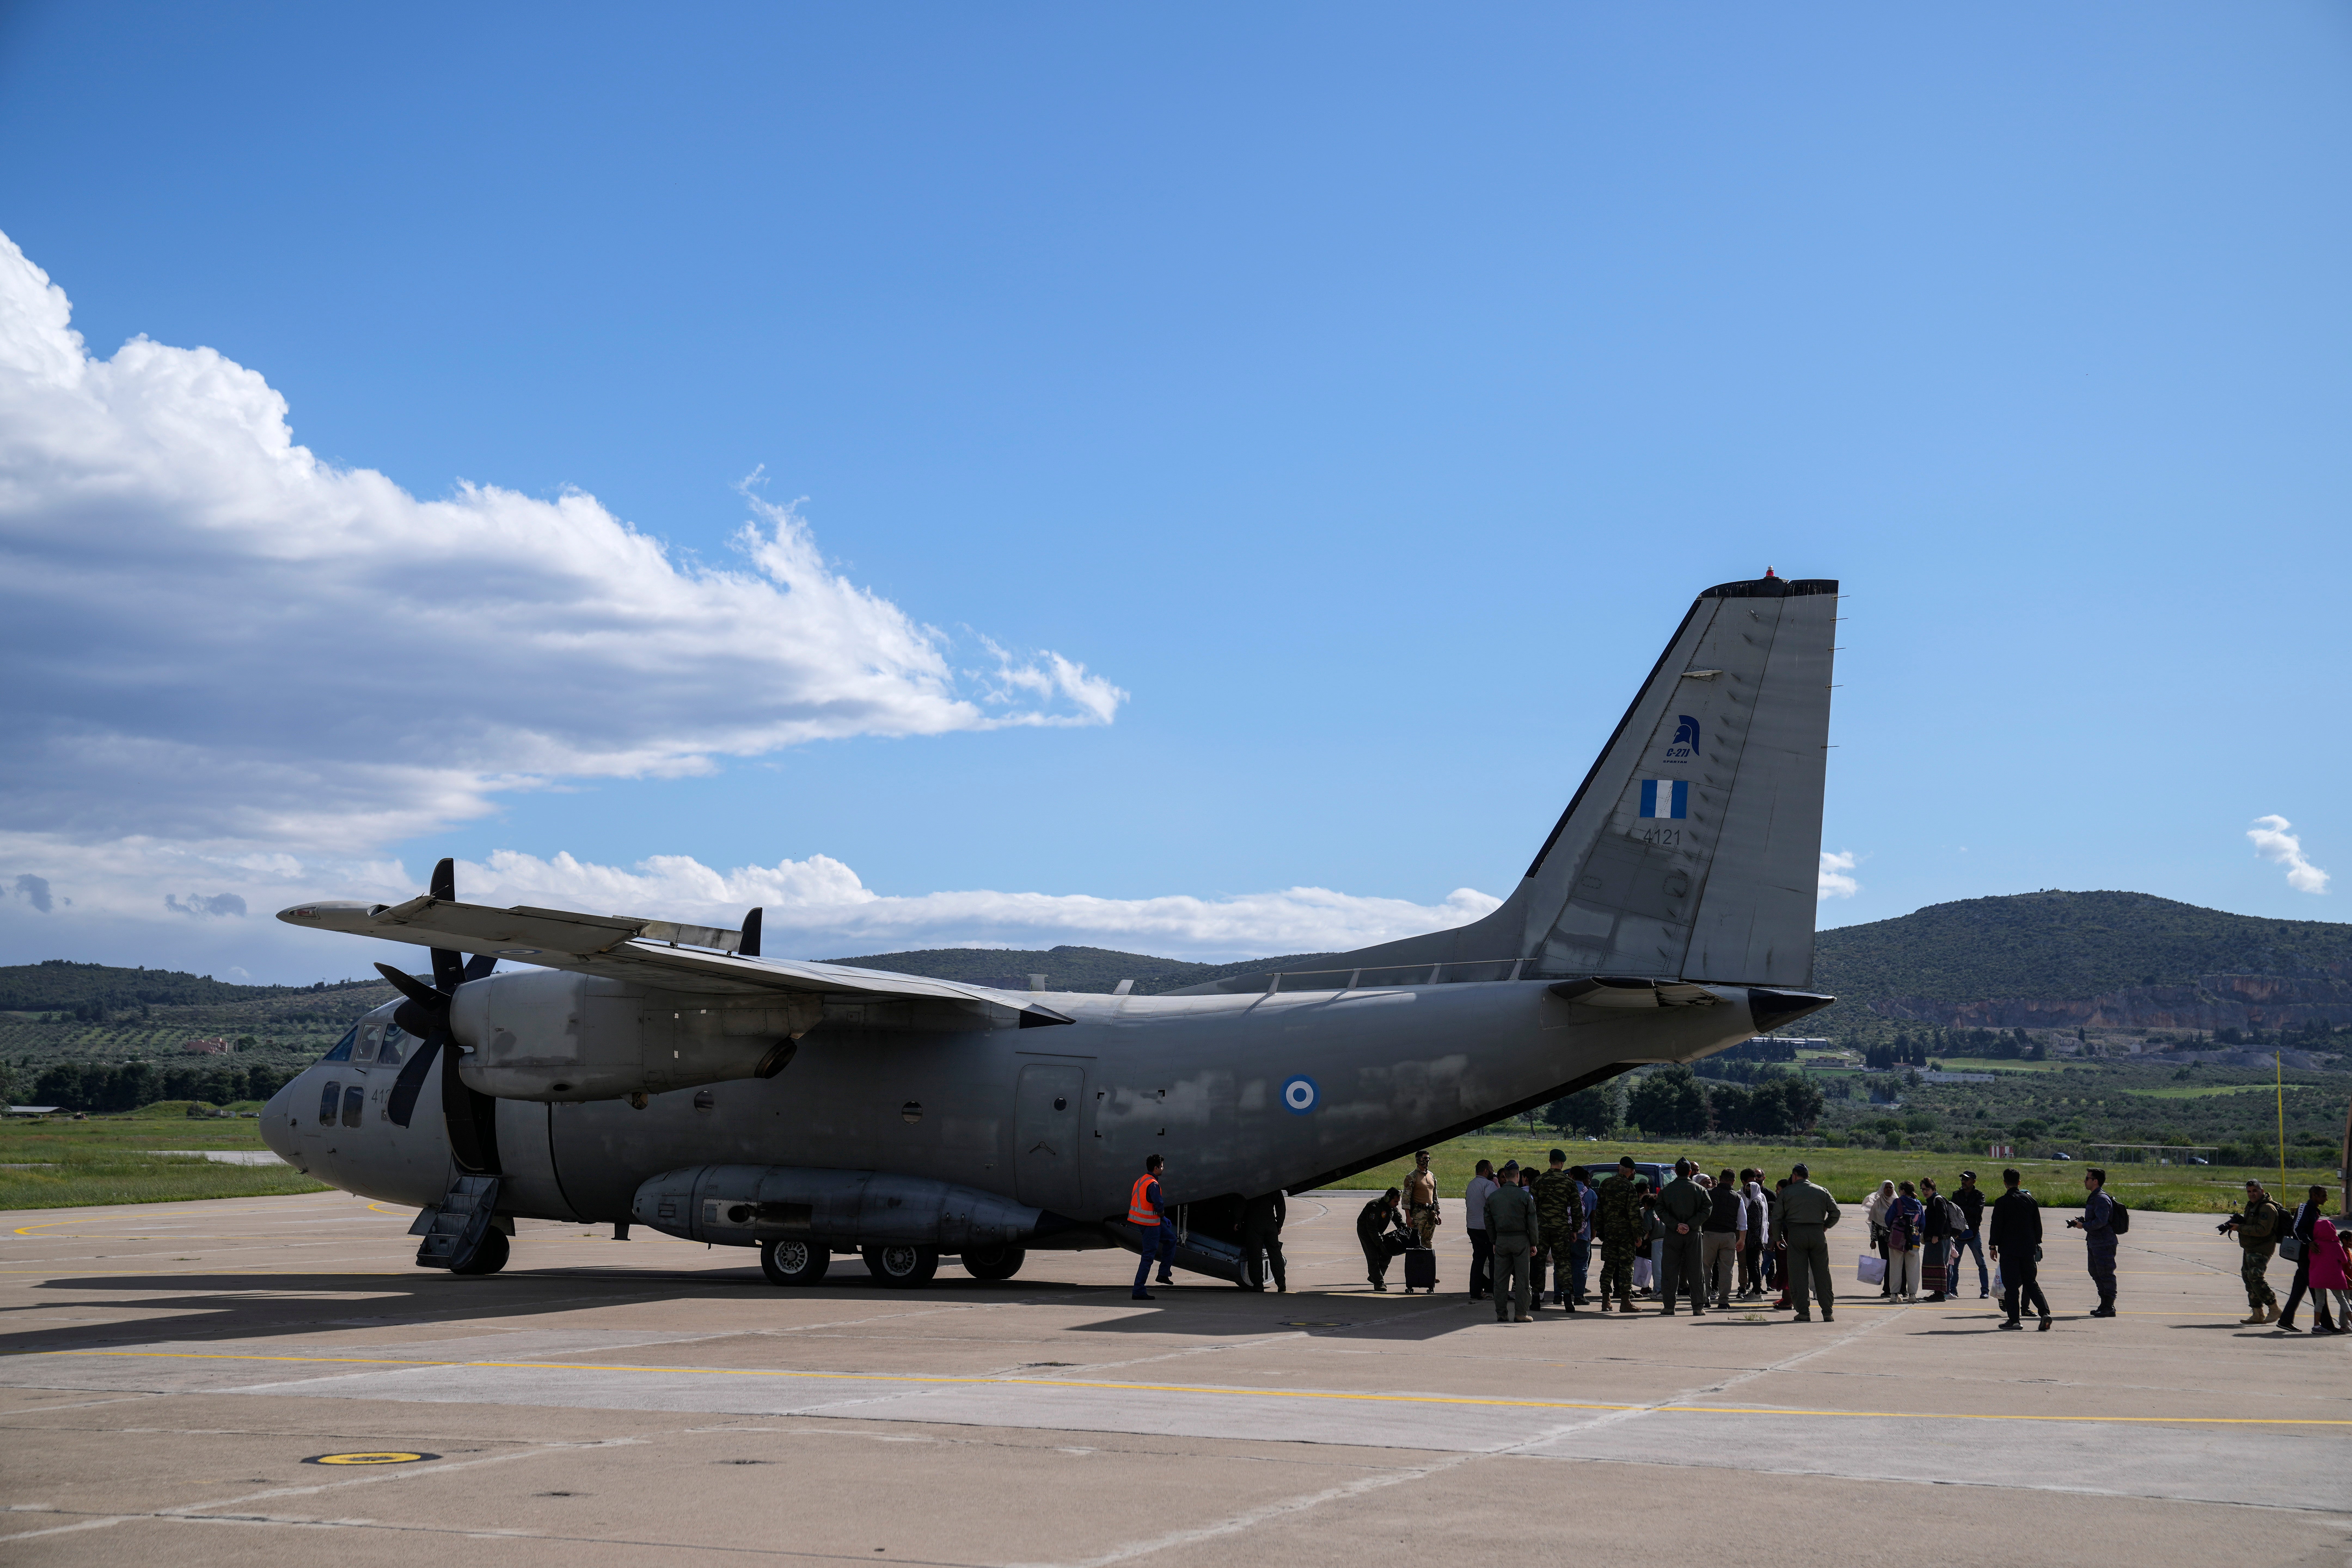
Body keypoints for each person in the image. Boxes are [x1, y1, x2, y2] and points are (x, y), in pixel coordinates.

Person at [1775, 1163, 1841, 1322]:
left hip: (1796, 1235)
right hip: (1818, 1235)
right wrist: (1825, 1226)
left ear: (1794, 1176)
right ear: (1808, 1177)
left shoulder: (1787, 1193)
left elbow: (1777, 1218)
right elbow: (1836, 1212)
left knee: (1798, 1275)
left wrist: (1778, 1238)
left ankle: (1804, 1312)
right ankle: (1828, 1312)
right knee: (1822, 1274)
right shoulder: (1822, 1191)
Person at [1988, 1168, 2051, 1331]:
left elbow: (1996, 1226)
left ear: (2005, 1183)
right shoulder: (2031, 1201)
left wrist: (1993, 1246)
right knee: (2031, 1283)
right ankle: (2045, 1313)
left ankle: (2015, 1321)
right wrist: (2036, 1243)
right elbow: (2038, 1226)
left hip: (2009, 1250)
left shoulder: (2002, 1202)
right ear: (2019, 1183)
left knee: (2011, 1287)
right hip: (2028, 1250)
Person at [1486, 1159, 1542, 1323]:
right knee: (1523, 1279)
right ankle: (1521, 1313)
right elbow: (1532, 1221)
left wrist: (1495, 1240)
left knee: (1500, 1280)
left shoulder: (1494, 1197)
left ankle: (1501, 1313)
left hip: (1502, 1240)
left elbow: (1488, 1221)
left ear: (1505, 1175)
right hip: (1521, 1241)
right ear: (1518, 1176)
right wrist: (1534, 1243)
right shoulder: (1525, 1196)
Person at [2221, 1180, 2284, 1325]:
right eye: (2249, 1192)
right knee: (2248, 1278)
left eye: (2255, 1191)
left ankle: (2274, 1308)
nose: (2252, 1194)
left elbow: (2263, 1230)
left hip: (2262, 1249)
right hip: (2250, 1248)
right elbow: (2253, 1224)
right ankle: (2257, 1313)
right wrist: (2239, 1223)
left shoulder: (2267, 1208)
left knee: (2256, 1277)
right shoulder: (2253, 1206)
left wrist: (2240, 1229)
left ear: (2262, 1191)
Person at [1653, 1159, 1709, 1316]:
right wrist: (1691, 1225)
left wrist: (1676, 1225)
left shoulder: (1667, 1190)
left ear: (1676, 1172)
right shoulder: (1700, 1190)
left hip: (1673, 1234)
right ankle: (1698, 1307)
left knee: (1670, 1270)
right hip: (1694, 1235)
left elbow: (1660, 1209)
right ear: (1690, 1172)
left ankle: (1669, 1306)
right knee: (1696, 1270)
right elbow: (1707, 1209)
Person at [2274, 1185, 2330, 1332]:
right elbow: (2297, 1229)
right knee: (2317, 1289)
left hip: (2311, 1255)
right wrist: (2309, 1242)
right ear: (2314, 1196)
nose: (2326, 1199)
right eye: (2324, 1196)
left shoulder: (2315, 1211)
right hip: (2305, 1255)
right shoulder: (2305, 1208)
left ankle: (2285, 1321)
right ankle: (2327, 1325)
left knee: (2298, 1290)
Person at [2063, 1168, 2117, 1317]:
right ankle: (2104, 1304)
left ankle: (2109, 1306)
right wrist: (2082, 1221)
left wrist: (2084, 1226)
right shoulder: (2095, 1197)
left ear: (2095, 1181)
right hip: (2095, 1242)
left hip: (2104, 1243)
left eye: (2087, 1179)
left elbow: (2102, 1221)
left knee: (2106, 1273)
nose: (2085, 1181)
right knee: (2095, 1272)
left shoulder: (2101, 1198)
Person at [1594, 1156, 1645, 1312]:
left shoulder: (1606, 1184)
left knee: (1608, 1266)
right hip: (1625, 1235)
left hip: (1609, 1232)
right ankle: (1625, 1302)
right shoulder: (1629, 1187)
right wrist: (1638, 1235)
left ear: (1619, 1168)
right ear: (1631, 1171)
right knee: (1626, 1267)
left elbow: (1599, 1209)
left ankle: (1606, 1300)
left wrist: (1600, 1230)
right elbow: (1634, 1213)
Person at [1532, 1150, 1580, 1312]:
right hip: (1561, 1229)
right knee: (1563, 1263)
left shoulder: (1539, 1181)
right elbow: (1576, 1208)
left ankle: (1536, 1299)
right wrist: (1575, 1229)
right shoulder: (1569, 1182)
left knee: (1539, 1262)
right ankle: (1567, 1298)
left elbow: (1532, 1208)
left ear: (1550, 1161)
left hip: (1542, 1228)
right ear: (1562, 1163)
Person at [1129, 1154, 1175, 1300]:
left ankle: (1163, 1274)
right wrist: (1163, 1216)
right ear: (1156, 1168)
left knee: (1171, 1240)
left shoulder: (1142, 1180)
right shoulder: (1153, 1184)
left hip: (1148, 1222)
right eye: (1162, 1166)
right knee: (1148, 1256)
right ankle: (1139, 1290)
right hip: (1150, 1224)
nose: (1163, 1168)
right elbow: (1158, 1205)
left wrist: (1162, 1219)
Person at [1703, 1166, 1745, 1311]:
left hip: (1709, 1234)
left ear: (1720, 1179)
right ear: (1733, 1182)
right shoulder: (1738, 1198)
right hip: (1729, 1236)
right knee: (1727, 1270)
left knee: (1706, 1267)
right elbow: (1743, 1223)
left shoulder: (1709, 1194)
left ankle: (1705, 1299)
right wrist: (1742, 1240)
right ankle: (1724, 1301)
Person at [2308, 1211, 2350, 1336]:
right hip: (2334, 1278)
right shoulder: (2335, 1245)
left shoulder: (2315, 1245)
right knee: (2342, 1299)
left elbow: (2310, 1258)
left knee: (2320, 1301)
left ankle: (2316, 1325)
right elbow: (2344, 1260)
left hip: (2318, 1278)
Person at [1239, 1187, 1287, 1293]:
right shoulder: (1273, 1186)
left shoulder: (1249, 1186)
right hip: (1271, 1224)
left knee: (1255, 1256)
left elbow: (1242, 1204)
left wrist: (1237, 1220)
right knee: (1275, 1254)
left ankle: (1258, 1285)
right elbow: (1281, 1206)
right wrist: (1279, 1224)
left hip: (1254, 1224)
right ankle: (1281, 1282)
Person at [1463, 1159, 1499, 1303]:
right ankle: (1498, 1292)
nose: (1493, 1172)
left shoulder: (1472, 1184)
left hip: (1473, 1227)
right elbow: (1496, 1203)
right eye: (1492, 1169)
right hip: (1486, 1229)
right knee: (1495, 1261)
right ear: (1486, 1171)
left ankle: (1475, 1291)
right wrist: (1497, 1186)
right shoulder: (1489, 1185)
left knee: (1478, 1260)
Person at [1951, 1171, 1990, 1298]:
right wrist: (1967, 1210)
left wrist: (1962, 1209)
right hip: (1959, 1235)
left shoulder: (1980, 1195)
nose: (1964, 1182)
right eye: (1962, 1179)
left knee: (1981, 1264)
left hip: (1974, 1234)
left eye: (1967, 1180)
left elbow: (1978, 1211)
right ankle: (1953, 1291)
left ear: (1974, 1182)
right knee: (1954, 1264)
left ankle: (1985, 1291)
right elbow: (1952, 1212)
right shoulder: (1957, 1195)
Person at [1357, 1187, 1403, 1292]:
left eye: (1398, 1202)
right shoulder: (1374, 1206)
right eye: (1396, 1202)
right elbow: (1372, 1228)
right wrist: (1380, 1243)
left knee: (1388, 1252)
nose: (1397, 1204)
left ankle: (1375, 1276)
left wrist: (1408, 1232)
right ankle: (1379, 1283)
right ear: (1388, 1199)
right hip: (1366, 1232)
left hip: (1377, 1231)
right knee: (1373, 1257)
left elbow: (1399, 1222)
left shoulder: (1392, 1208)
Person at [1885, 1180, 1924, 1302]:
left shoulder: (1898, 1202)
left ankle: (1894, 1295)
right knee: (1913, 1269)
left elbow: (1888, 1219)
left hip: (1897, 1241)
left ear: (1902, 1191)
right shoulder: (1918, 1204)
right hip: (1914, 1240)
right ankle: (1912, 1295)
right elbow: (1923, 1224)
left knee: (1895, 1268)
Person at [1568, 1165, 1597, 1306]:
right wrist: (1594, 1233)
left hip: (1565, 1234)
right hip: (1584, 1235)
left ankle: (1559, 1295)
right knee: (1581, 1266)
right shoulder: (1591, 1194)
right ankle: (1579, 1296)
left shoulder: (1566, 1191)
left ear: (1572, 1176)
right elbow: (1594, 1216)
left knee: (1562, 1265)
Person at [1920, 1177, 1951, 1301]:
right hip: (1934, 1239)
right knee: (1933, 1265)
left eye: (1927, 1189)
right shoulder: (1932, 1201)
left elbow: (1942, 1218)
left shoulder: (1938, 1200)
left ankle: (1940, 1294)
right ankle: (1938, 1292)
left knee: (1938, 1265)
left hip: (1938, 1240)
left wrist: (1937, 1235)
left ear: (1934, 1189)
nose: (1925, 1192)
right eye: (1923, 1190)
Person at [1738, 1169, 1768, 1300]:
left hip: (1753, 1240)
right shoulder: (1758, 1200)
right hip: (1754, 1239)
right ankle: (1757, 1291)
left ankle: (1757, 1292)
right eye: (1747, 1190)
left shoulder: (1756, 1203)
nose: (1748, 1192)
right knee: (1754, 1265)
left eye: (1750, 1190)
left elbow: (1755, 1222)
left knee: (1753, 1266)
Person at [1865, 1180, 1897, 1298]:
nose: (1889, 1190)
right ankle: (1888, 1289)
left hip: (1896, 1239)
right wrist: (1873, 1240)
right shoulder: (1878, 1204)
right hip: (1883, 1239)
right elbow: (1874, 1224)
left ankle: (1901, 1289)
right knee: (1886, 1263)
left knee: (1898, 1264)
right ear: (1883, 1189)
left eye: (1891, 1188)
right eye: (1887, 1187)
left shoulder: (1897, 1203)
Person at [1406, 1150, 1441, 1251]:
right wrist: (1408, 1217)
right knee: (1416, 1242)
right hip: (1418, 1215)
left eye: (1429, 1158)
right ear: (1418, 1160)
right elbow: (1406, 1199)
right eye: (1425, 1158)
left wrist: (1438, 1213)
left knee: (1428, 1242)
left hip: (1431, 1214)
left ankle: (1427, 1259)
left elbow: (1435, 1196)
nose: (1427, 1161)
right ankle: (1416, 1261)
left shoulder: (1431, 1176)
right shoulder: (1412, 1177)